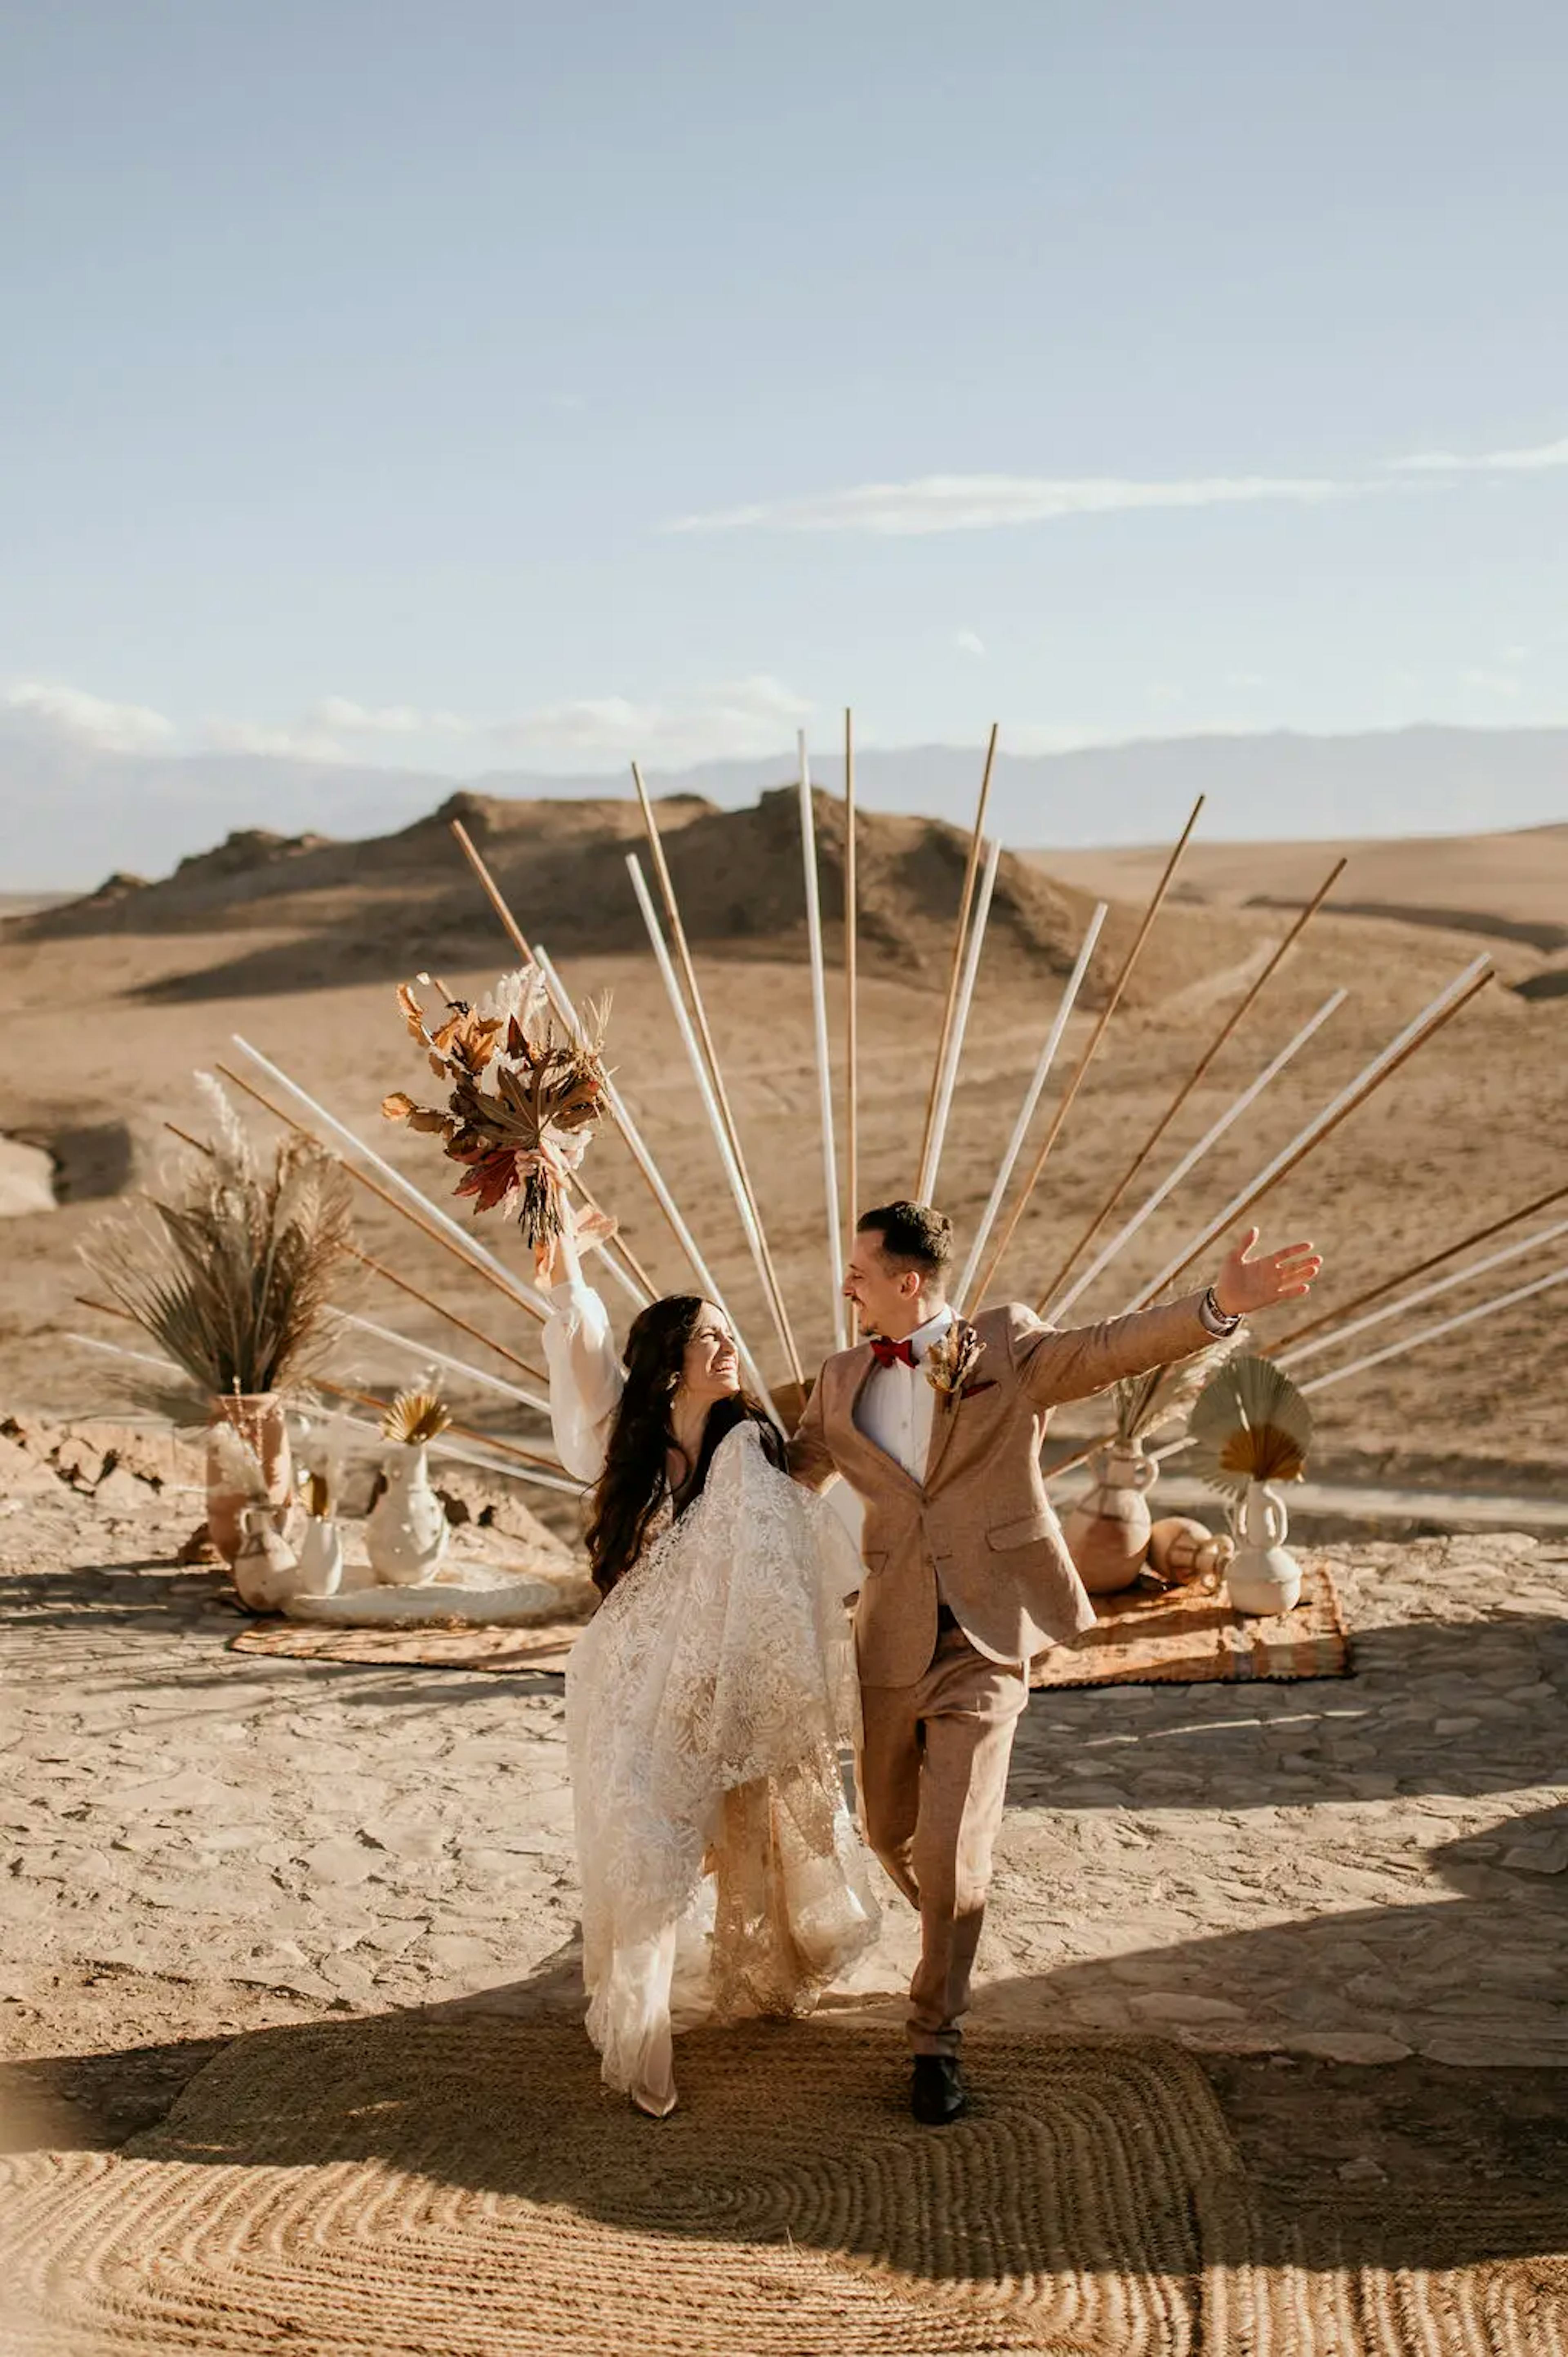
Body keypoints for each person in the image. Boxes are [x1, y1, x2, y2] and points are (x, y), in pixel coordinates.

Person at [788, 1202, 1322, 2127]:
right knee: (889, 1833)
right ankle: (953, 1927)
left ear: (911, 1282)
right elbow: (781, 1472)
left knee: (955, 1859)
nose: (848, 1285)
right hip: (889, 1637)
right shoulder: (838, 1379)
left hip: (990, 1634)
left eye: (862, 1271)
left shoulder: (1005, 1345)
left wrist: (1217, 1308)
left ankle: (934, 2041)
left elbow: (1112, 1348)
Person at [542, 1241, 878, 2118]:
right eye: (708, 1339)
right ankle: (639, 2027)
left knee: (680, 1850)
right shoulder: (640, 1458)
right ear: (667, 1367)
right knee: (637, 1852)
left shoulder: (747, 1448)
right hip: (631, 1698)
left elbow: (763, 1579)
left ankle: (651, 2038)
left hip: (713, 1698)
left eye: (730, 1337)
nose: (728, 1350)